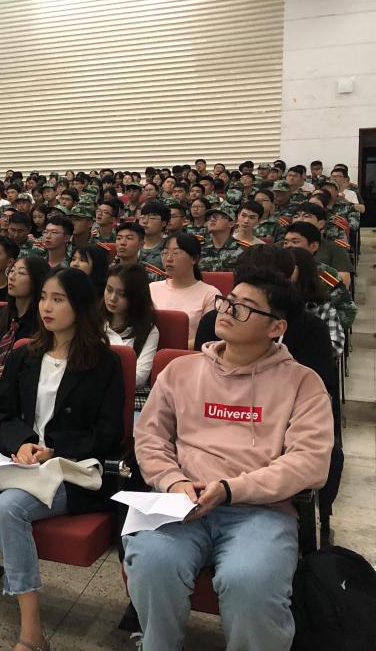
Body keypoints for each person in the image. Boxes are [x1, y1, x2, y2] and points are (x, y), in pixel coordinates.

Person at [125, 268, 333, 651]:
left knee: (249, 580)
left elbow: (310, 462)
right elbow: (150, 437)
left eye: (244, 308)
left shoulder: (303, 384)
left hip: (261, 511)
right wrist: (173, 481)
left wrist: (229, 489)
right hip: (183, 504)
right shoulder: (181, 371)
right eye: (228, 301)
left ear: (276, 327)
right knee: (151, 560)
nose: (226, 311)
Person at [0, 268, 123, 651]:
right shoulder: (26, 355)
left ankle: (32, 629)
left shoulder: (105, 363)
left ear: (80, 306)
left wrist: (53, 449)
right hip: (17, 461)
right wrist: (22, 442)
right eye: (44, 298)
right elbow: (0, 414)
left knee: (9, 508)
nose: (46, 307)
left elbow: (108, 433)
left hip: (67, 468)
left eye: (58, 299)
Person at [0, 255, 51, 377]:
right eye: (11, 271)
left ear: (37, 280)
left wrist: (13, 371)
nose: (12, 277)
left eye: (21, 273)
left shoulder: (45, 324)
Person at [149, 233, 221, 348]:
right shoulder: (152, 288)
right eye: (165, 252)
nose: (169, 258)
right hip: (150, 352)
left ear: (194, 258)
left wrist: (171, 351)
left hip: (188, 354)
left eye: (176, 253)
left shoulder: (210, 294)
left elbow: (208, 337)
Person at [103, 265, 158, 394]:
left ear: (136, 297)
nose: (112, 298)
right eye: (109, 290)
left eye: (122, 294)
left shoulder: (148, 331)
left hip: (125, 393)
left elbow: (139, 377)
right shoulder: (92, 321)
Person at [286, 246, 345, 357]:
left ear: (313, 245)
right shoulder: (272, 300)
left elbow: (335, 345)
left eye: (295, 241)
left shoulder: (321, 305)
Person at [199, 208, 248, 272]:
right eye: (209, 217)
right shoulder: (199, 248)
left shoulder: (243, 250)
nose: (212, 219)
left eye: (217, 217)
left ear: (231, 224)